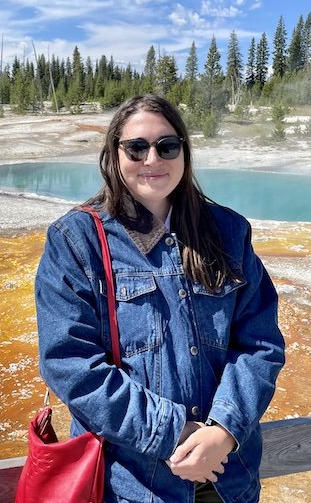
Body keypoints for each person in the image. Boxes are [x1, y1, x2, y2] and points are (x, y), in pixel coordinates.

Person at [35, 94, 286, 502]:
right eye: (137, 147)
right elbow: (70, 364)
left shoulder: (228, 231)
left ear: (184, 153)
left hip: (226, 480)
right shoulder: (76, 240)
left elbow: (260, 344)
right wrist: (171, 432)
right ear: (114, 154)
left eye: (167, 146)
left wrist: (223, 431)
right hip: (132, 483)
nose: (153, 159)